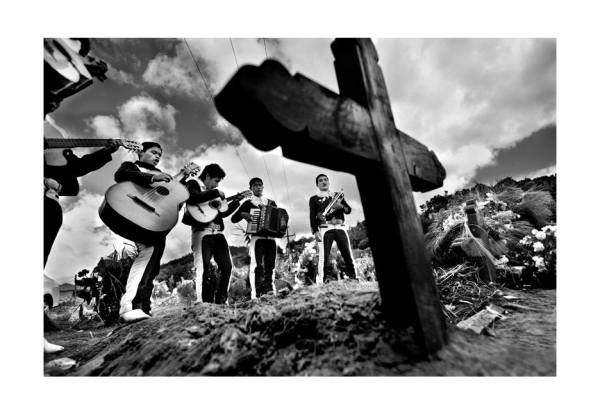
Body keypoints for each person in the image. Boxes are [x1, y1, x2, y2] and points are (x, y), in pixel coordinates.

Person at [44, 138, 119, 353]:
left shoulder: (54, 143)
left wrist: (106, 151)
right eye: (53, 101)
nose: (56, 103)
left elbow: (79, 166)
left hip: (49, 202)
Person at [113, 141, 175, 323]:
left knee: (153, 266)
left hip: (154, 221)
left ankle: (144, 308)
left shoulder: (161, 174)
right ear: (141, 153)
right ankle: (130, 307)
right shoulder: (132, 166)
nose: (157, 157)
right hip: (134, 215)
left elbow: (169, 198)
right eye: (154, 152)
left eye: (160, 155)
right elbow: (121, 175)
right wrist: (152, 178)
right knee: (148, 253)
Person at [183, 164, 245, 304]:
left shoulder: (214, 195)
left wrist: (237, 201)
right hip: (202, 232)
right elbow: (192, 198)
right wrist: (215, 192)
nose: (216, 185)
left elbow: (223, 213)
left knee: (227, 266)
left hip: (218, 232)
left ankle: (221, 301)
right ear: (208, 176)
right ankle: (202, 302)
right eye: (216, 181)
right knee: (202, 267)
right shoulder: (194, 183)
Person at [231, 177, 279, 299]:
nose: (258, 187)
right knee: (257, 266)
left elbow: (278, 217)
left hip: (271, 238)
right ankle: (257, 294)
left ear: (263, 187)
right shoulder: (248, 203)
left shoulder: (271, 202)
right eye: (255, 185)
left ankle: (269, 291)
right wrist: (243, 214)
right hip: (257, 237)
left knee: (270, 266)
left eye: (260, 185)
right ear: (251, 188)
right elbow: (234, 218)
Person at [309, 174, 357, 285]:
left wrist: (341, 207)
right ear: (317, 184)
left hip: (340, 227)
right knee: (323, 257)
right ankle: (322, 282)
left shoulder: (337, 195)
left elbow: (348, 210)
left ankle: (353, 278)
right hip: (325, 228)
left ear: (329, 182)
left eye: (325, 180)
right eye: (320, 180)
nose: (323, 182)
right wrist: (315, 231)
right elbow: (312, 216)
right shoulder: (314, 198)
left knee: (347, 254)